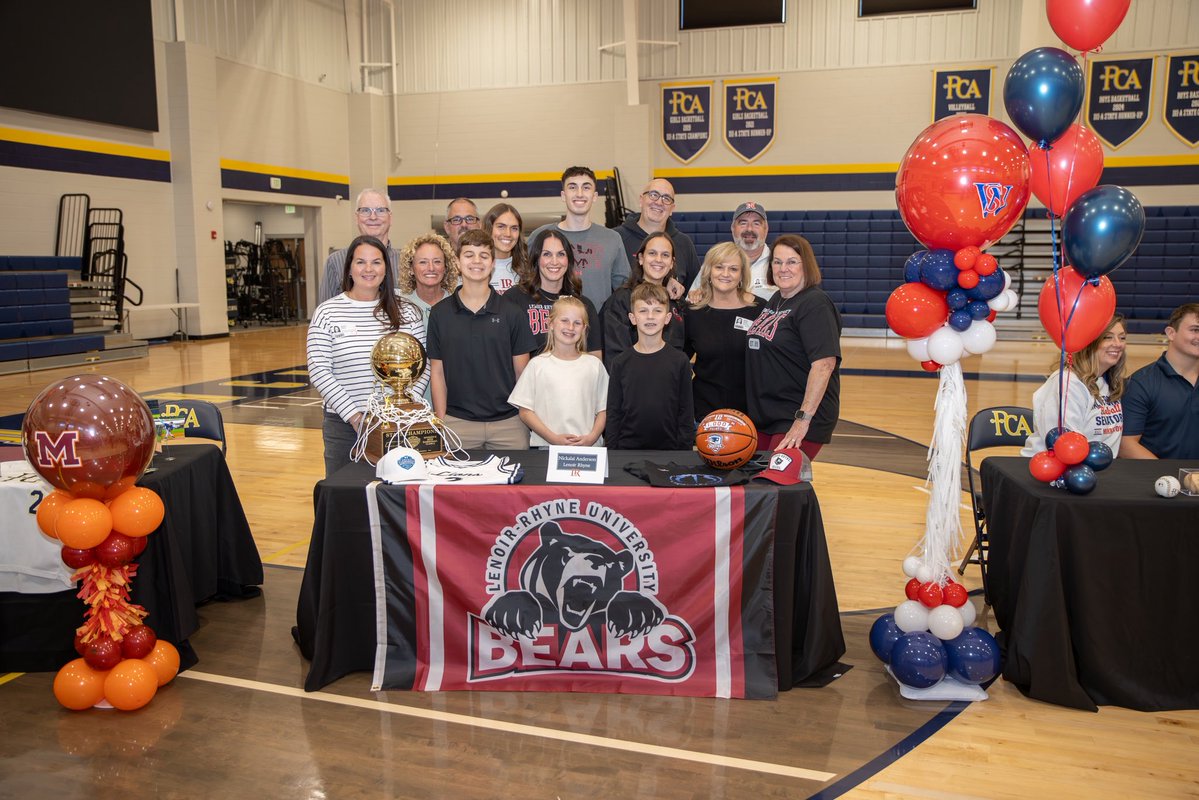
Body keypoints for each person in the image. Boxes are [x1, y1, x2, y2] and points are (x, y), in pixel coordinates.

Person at [307, 235, 427, 477]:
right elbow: (319, 369)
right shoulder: (327, 312)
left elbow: (423, 365)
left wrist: (401, 411)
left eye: (376, 262)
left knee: (392, 498)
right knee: (344, 497)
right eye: (361, 262)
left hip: (398, 426)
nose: (369, 269)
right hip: (343, 427)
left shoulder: (407, 312)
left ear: (386, 268)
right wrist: (356, 418)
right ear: (349, 268)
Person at [427, 229, 536, 450]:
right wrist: (441, 421)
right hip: (457, 423)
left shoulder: (512, 313)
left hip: (510, 424)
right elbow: (437, 372)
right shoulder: (439, 314)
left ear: (493, 263)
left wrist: (524, 418)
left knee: (515, 484)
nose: (476, 261)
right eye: (469, 255)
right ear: (457, 262)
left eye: (484, 255)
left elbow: (522, 374)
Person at [745, 234, 842, 459]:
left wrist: (802, 420)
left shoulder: (815, 303)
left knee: (778, 484)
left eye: (791, 262)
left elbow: (824, 365)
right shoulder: (777, 299)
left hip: (796, 418)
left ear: (805, 265)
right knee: (759, 485)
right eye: (777, 262)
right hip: (767, 417)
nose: (783, 268)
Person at [508, 296, 608, 448]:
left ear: (584, 329)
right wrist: (553, 438)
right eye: (564, 320)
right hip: (548, 448)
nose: (570, 327)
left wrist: (592, 437)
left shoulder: (594, 366)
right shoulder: (537, 365)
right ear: (551, 323)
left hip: (589, 450)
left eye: (577, 323)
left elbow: (604, 409)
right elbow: (525, 411)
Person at [605, 282, 694, 450]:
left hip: (670, 452)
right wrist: (612, 451)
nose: (650, 317)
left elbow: (686, 414)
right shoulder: (620, 363)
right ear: (632, 318)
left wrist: (684, 453)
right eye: (643, 311)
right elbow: (614, 413)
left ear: (667, 318)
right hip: (626, 450)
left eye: (657, 311)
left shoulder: (680, 361)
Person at [1021, 314, 1127, 456]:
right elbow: (1065, 446)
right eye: (1108, 337)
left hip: (1094, 471)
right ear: (1089, 341)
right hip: (1052, 473)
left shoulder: (1109, 382)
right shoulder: (1067, 383)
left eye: (1122, 337)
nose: (1118, 344)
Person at [683, 242, 766, 421]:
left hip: (750, 413)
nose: (726, 274)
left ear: (742, 274)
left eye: (733, 269)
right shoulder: (693, 311)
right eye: (719, 267)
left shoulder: (760, 310)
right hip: (703, 412)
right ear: (709, 271)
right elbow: (679, 360)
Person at [525, 166, 629, 307]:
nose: (579, 194)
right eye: (572, 187)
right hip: (549, 324)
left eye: (586, 188)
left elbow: (625, 291)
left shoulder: (612, 239)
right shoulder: (540, 236)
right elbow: (525, 280)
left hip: (597, 325)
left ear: (595, 196)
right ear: (563, 195)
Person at [503, 229, 601, 356]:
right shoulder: (514, 299)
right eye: (547, 254)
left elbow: (595, 359)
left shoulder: (583, 305)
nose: (554, 261)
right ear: (536, 258)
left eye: (561, 254)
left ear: (569, 260)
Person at [1120, 302, 1199, 459]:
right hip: (1158, 481)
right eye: (1195, 330)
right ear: (1171, 333)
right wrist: (1169, 478)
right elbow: (1126, 445)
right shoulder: (1140, 384)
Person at [599, 232, 685, 367]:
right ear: (640, 258)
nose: (658, 259)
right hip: (632, 382)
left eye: (665, 255)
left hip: (670, 381)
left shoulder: (676, 300)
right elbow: (615, 355)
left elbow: (683, 348)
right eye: (652, 253)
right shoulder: (621, 300)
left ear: (671, 263)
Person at [397, 232, 459, 403]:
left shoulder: (460, 304)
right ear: (410, 268)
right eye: (423, 262)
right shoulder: (398, 307)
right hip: (410, 403)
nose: (431, 268)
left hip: (454, 402)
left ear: (446, 267)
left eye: (437, 261)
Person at [615, 178, 700, 298]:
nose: (659, 202)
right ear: (641, 200)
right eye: (653, 195)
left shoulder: (684, 243)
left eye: (666, 198)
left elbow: (695, 291)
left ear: (672, 209)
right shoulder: (616, 238)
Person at [317, 188, 400, 304]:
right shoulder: (335, 262)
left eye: (380, 210)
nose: (373, 217)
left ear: (390, 217)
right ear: (356, 217)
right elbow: (325, 309)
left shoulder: (407, 262)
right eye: (365, 210)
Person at [689, 201, 776, 301]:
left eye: (756, 223)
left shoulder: (778, 263)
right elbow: (693, 298)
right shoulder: (714, 262)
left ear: (766, 229)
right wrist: (697, 295)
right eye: (743, 223)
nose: (749, 229)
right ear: (732, 228)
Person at [483, 203, 529, 294]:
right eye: (501, 226)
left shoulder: (528, 269)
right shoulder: (476, 267)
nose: (508, 234)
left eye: (514, 228)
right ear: (489, 228)